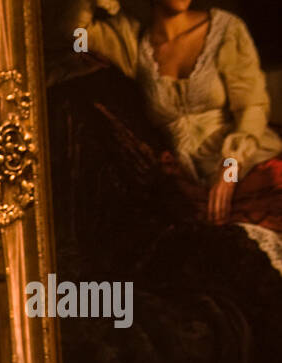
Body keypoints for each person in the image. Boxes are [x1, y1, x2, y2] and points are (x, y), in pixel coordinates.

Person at [68, 1, 282, 267]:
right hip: (188, 188)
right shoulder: (134, 42)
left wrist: (230, 168)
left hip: (248, 172)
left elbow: (252, 108)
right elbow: (75, 36)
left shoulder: (225, 29)